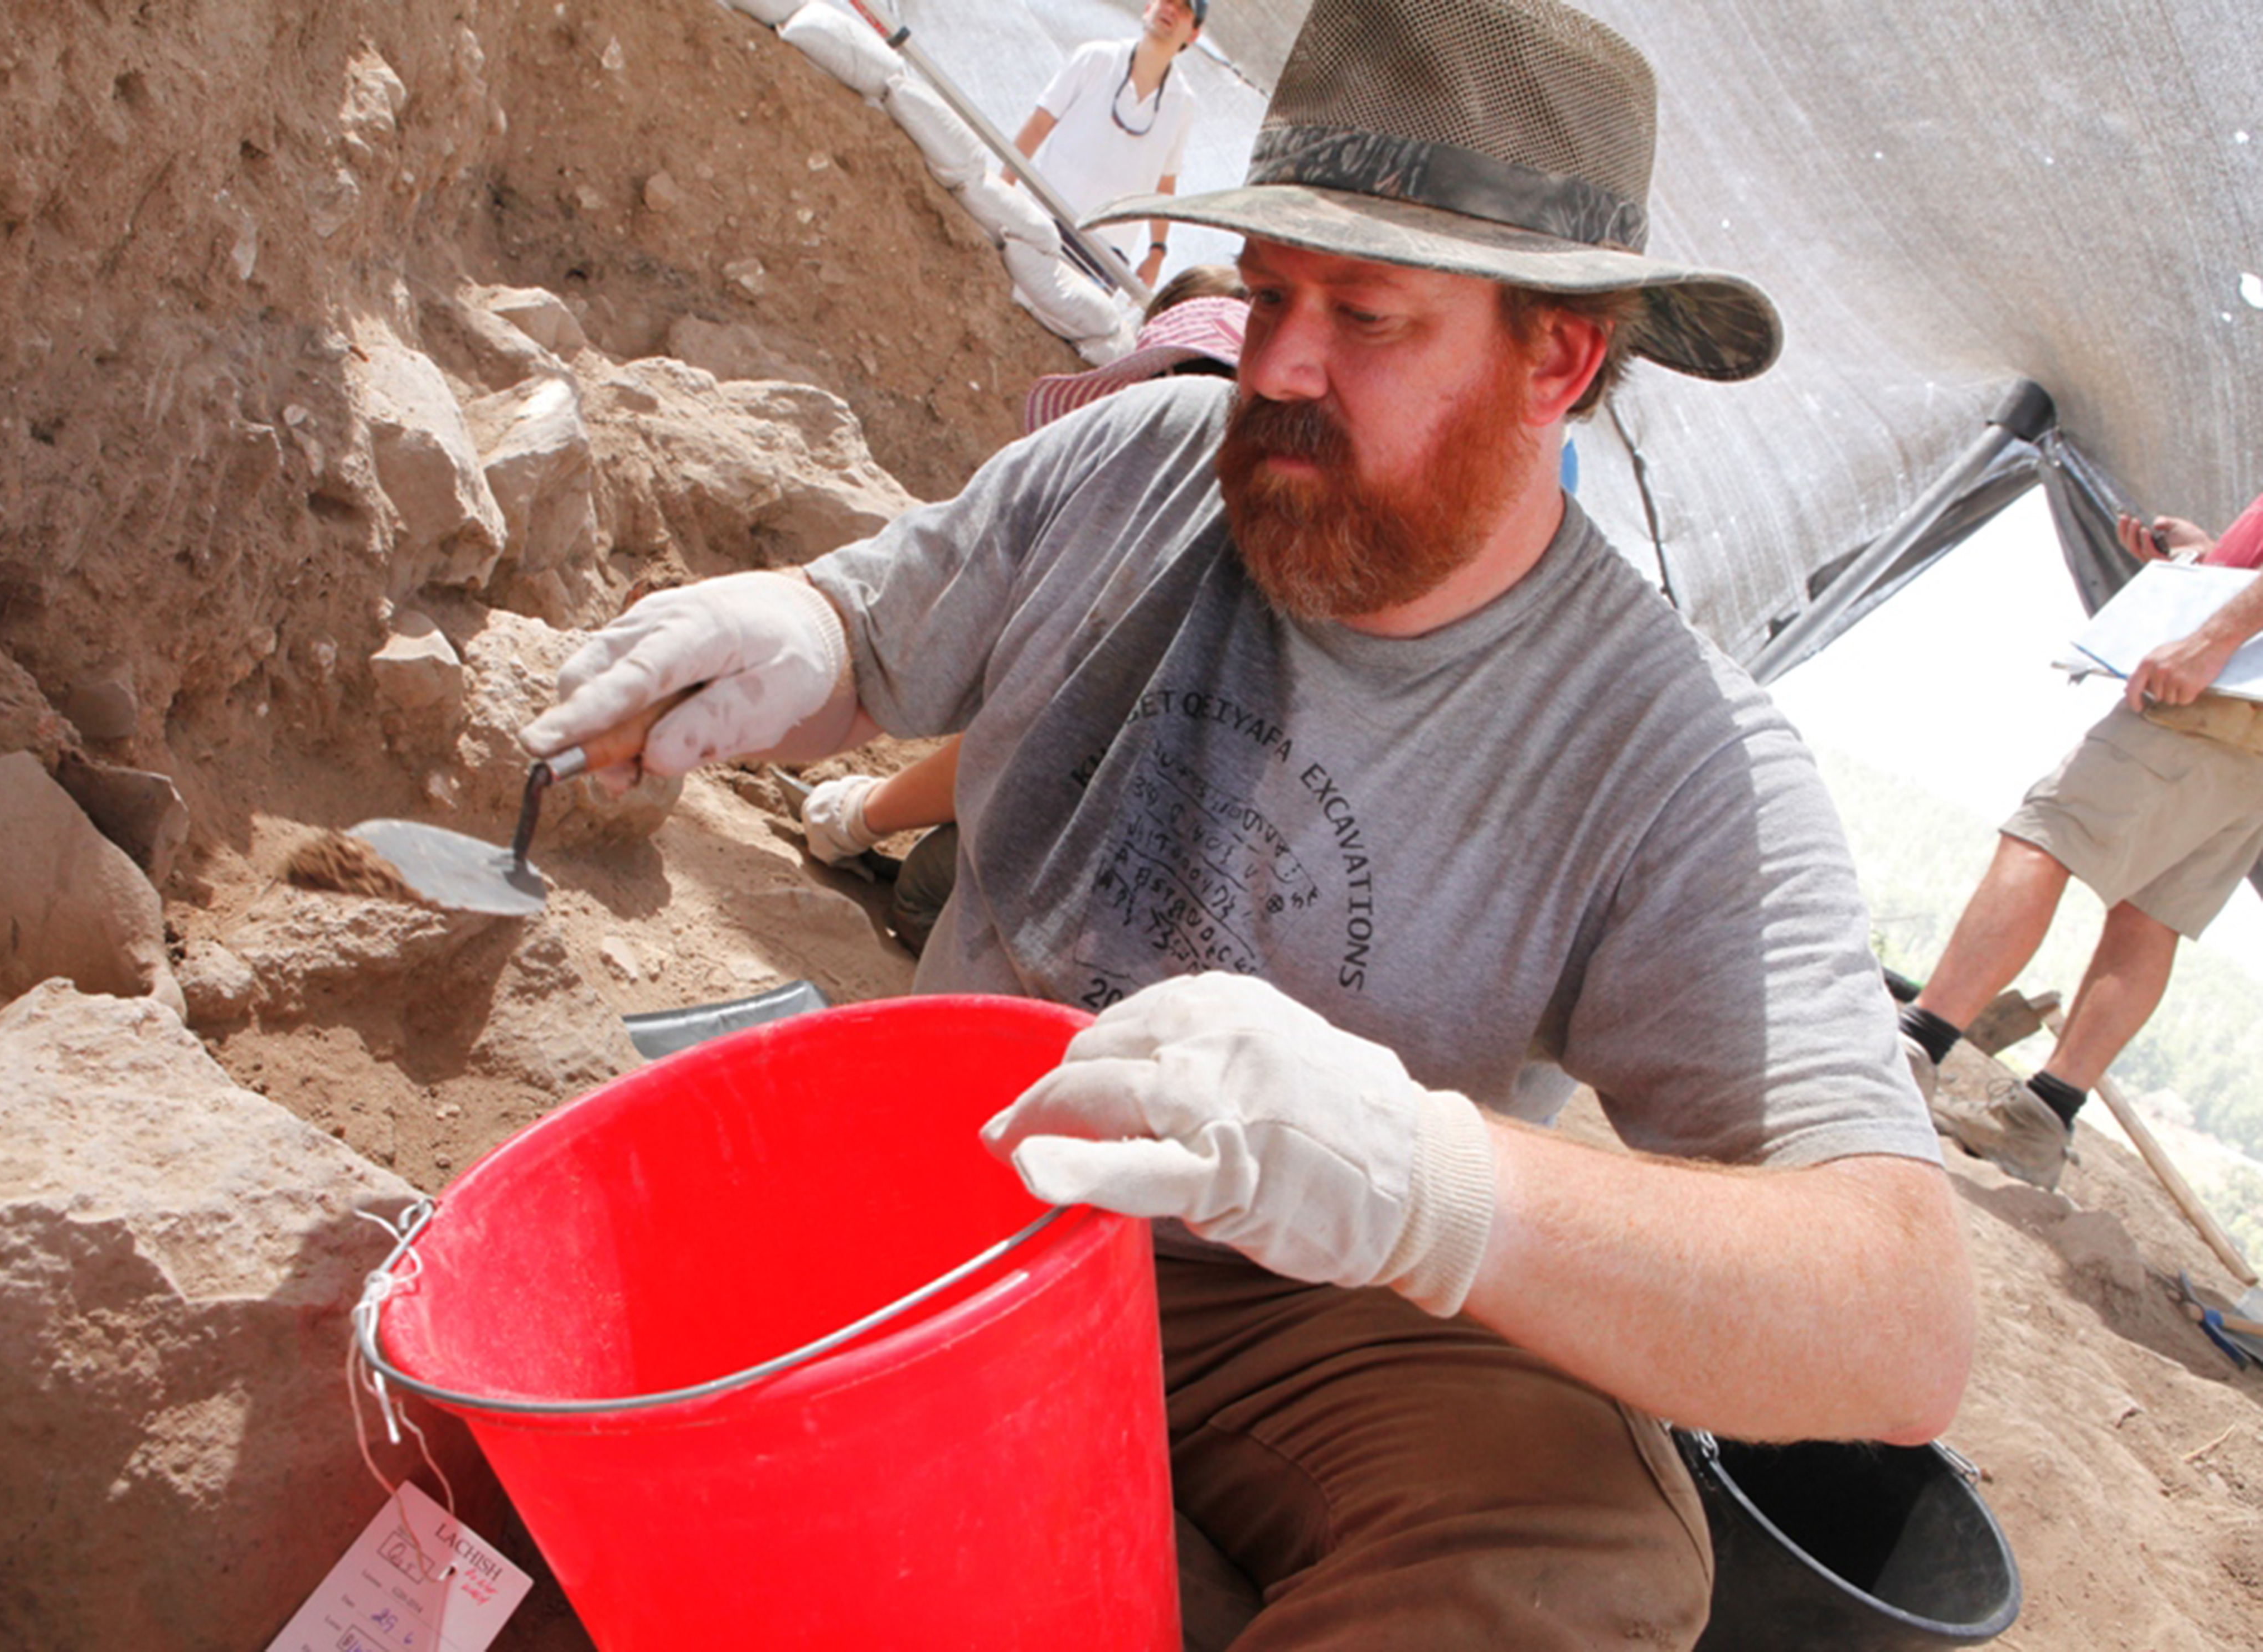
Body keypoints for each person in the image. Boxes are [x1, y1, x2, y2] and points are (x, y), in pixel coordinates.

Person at [520, 1, 1973, 1642]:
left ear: (1554, 359)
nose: (1277, 366)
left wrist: (1418, 1178)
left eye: (1367, 316)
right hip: (965, 1170)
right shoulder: (1145, 459)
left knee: (1585, 1552)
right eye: (1271, 290)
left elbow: (1900, 1319)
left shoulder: (1674, 757)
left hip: (1295, 1306)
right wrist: (786, 634)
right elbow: (876, 627)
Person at [798, 273, 1252, 951]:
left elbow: (1027, 744)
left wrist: (860, 816)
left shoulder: (1157, 518)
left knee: (929, 889)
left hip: (1137, 906)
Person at [1896, 494, 2263, 1190]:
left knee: (2046, 837)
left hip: (2217, 696)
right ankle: (2041, 1117)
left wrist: (2210, 641)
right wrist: (2203, 555)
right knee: (2152, 914)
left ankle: (1915, 1046)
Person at [1008, 0, 1207, 289]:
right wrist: (1005, 185)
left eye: (1185, 9)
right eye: (1167, 1)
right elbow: (1040, 124)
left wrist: (1157, 253)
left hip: (1107, 254)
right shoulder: (1096, 58)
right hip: (1044, 216)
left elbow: (1165, 183)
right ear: (1148, 7)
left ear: (1193, 35)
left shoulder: (1183, 103)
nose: (1171, 10)